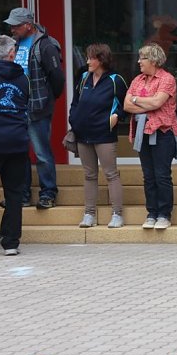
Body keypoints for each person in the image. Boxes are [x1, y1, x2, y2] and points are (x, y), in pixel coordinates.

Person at [5, 7, 64, 209]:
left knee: (41, 153)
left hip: (37, 108)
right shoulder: (14, 44)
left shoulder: (46, 45)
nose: (12, 29)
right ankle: (23, 194)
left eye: (16, 25)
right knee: (20, 153)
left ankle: (48, 193)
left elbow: (57, 78)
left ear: (28, 25)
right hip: (15, 109)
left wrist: (48, 99)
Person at [68, 44, 128, 229]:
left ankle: (117, 214)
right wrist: (74, 120)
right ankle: (89, 214)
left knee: (111, 174)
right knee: (89, 175)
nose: (87, 61)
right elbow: (75, 102)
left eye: (90, 58)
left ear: (101, 59)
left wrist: (115, 118)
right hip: (83, 135)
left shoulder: (115, 79)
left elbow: (125, 104)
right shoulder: (84, 77)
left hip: (104, 135)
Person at [123, 43, 177, 230]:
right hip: (142, 132)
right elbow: (126, 106)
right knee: (148, 176)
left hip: (163, 133)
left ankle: (164, 214)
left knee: (162, 175)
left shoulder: (167, 79)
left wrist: (136, 99)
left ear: (154, 60)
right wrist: (144, 103)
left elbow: (158, 102)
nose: (139, 61)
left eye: (143, 58)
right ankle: (151, 213)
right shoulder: (137, 80)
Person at [0, 35, 30, 255]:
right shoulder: (22, 78)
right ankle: (11, 242)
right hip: (17, 142)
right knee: (14, 193)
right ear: (11, 54)